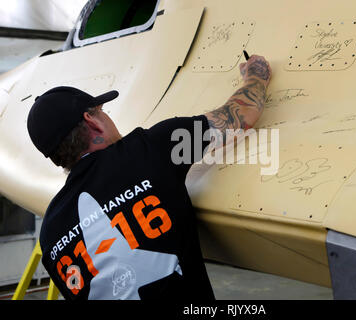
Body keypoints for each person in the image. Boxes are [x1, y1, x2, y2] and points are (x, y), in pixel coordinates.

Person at [26, 54, 271, 300]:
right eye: (102, 110)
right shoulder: (150, 148)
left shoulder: (50, 234)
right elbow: (239, 115)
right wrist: (256, 74)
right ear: (93, 122)